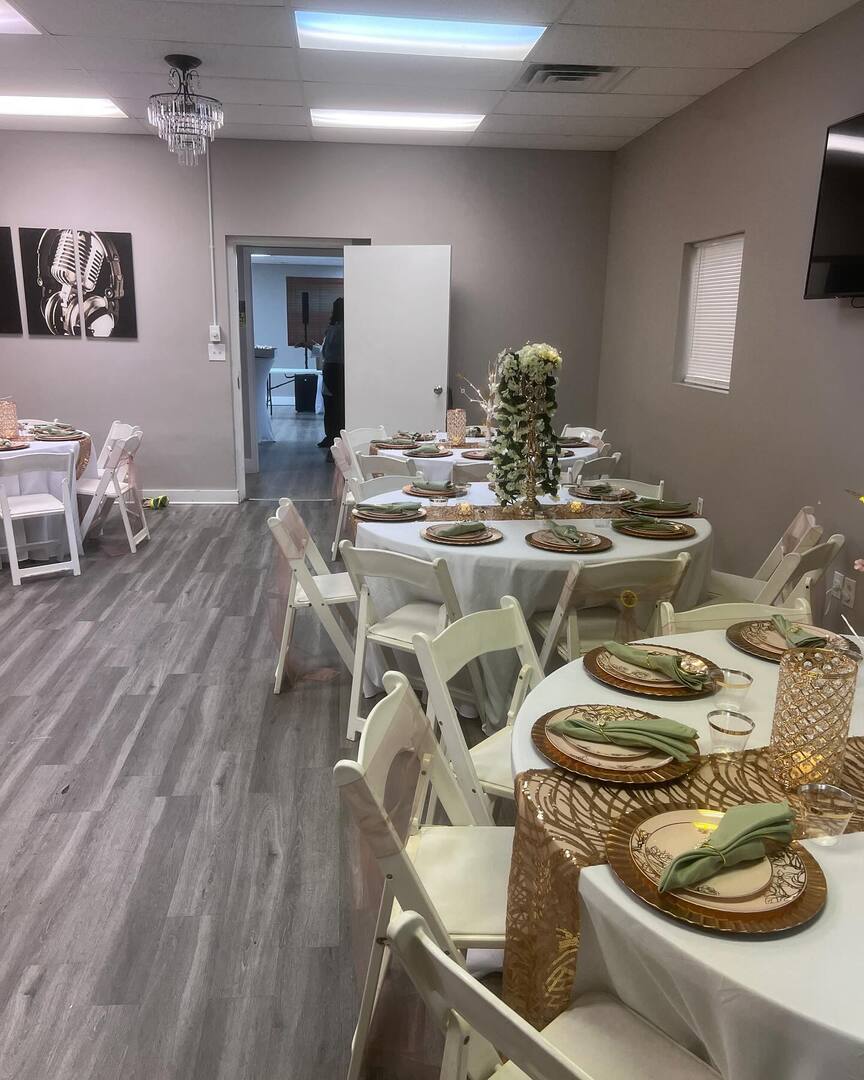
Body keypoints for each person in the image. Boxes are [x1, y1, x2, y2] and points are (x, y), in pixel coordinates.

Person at [318, 296, 344, 450]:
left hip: (333, 369)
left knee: (332, 405)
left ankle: (332, 439)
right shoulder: (340, 329)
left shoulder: (334, 330)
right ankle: (334, 439)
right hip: (338, 369)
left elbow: (326, 352)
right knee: (338, 406)